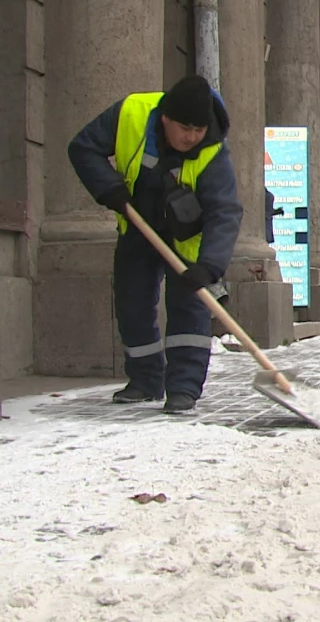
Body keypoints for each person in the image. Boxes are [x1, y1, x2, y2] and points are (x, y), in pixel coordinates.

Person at [67, 75, 243, 413]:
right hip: (138, 225)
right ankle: (146, 380)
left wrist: (208, 266)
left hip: (186, 237)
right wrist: (109, 189)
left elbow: (224, 211)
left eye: (198, 130)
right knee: (132, 303)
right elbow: (82, 147)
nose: (192, 137)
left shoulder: (214, 150)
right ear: (166, 118)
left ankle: (184, 388)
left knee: (190, 307)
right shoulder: (131, 114)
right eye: (185, 129)